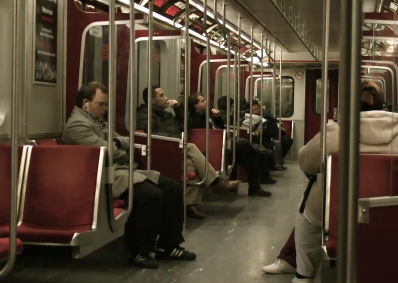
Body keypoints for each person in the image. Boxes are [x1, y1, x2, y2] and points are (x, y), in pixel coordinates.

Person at [261, 80, 398, 283]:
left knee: (306, 213)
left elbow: (306, 161)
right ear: (383, 105)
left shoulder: (337, 130)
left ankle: (304, 275)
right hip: (385, 206)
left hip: (337, 207)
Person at [64, 82, 197, 269]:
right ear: (86, 103)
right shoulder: (77, 125)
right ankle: (140, 252)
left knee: (173, 188)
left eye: (105, 105)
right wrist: (121, 148)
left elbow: (126, 140)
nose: (105, 109)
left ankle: (169, 245)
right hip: (102, 175)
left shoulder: (97, 122)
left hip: (121, 171)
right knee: (150, 195)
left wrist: (118, 144)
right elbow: (107, 152)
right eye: (101, 104)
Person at [136, 85, 240, 218]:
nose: (166, 98)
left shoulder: (167, 115)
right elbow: (149, 135)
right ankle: (216, 182)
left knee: (190, 162)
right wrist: (175, 141)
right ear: (151, 101)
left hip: (173, 147)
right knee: (190, 146)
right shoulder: (144, 115)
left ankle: (189, 206)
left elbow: (187, 126)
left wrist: (178, 109)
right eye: (161, 95)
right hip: (158, 150)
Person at [188, 93, 274, 197]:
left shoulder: (206, 116)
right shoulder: (193, 119)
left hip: (220, 147)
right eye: (202, 101)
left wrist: (218, 118)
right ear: (195, 105)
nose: (206, 102)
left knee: (253, 158)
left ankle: (254, 189)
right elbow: (207, 135)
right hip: (214, 149)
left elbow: (219, 130)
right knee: (243, 142)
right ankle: (258, 149)